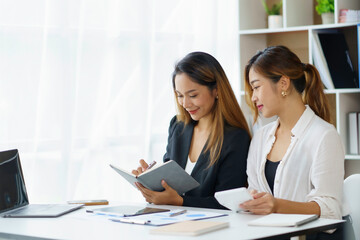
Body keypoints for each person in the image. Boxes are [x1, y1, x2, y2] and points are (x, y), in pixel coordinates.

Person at [241, 45, 354, 239]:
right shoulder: (260, 137)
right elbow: (255, 191)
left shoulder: (324, 135)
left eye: (257, 87)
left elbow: (329, 209)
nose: (253, 97)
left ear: (283, 83)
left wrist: (276, 205)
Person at [132, 51, 251, 209]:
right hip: (173, 224)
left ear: (216, 90)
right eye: (180, 95)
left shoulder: (235, 138)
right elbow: (170, 187)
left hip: (213, 229)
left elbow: (228, 204)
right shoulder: (178, 126)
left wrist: (180, 202)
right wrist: (152, 182)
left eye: (193, 95)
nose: (185, 104)